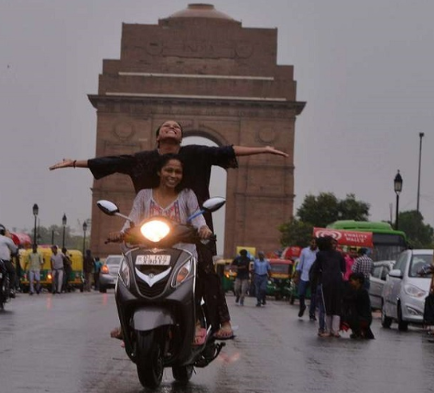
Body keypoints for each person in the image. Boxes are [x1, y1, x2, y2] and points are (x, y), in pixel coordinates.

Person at [51, 120, 289, 339]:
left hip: (194, 224)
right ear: (157, 137)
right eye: (166, 126)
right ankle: (128, 322)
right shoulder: (143, 160)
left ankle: (219, 322)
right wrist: (74, 163)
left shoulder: (195, 154)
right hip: (154, 228)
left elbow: (226, 151)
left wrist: (263, 149)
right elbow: (112, 162)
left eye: (176, 127)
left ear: (181, 138)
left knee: (205, 269)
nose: (172, 127)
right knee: (131, 272)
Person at [108, 154, 213, 346]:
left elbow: (198, 217)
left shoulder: (188, 194)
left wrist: (203, 229)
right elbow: (132, 219)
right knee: (125, 280)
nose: (173, 175)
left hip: (181, 251)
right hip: (148, 250)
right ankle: (126, 322)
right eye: (168, 170)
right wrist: (121, 233)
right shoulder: (144, 196)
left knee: (193, 282)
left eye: (178, 171)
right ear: (159, 172)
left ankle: (196, 322)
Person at [310, 236, 346, 337]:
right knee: (336, 305)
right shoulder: (338, 254)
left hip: (326, 282)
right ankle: (336, 331)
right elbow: (343, 268)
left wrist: (313, 284)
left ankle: (328, 330)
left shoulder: (320, 255)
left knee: (327, 306)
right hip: (338, 281)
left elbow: (316, 270)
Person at [344, 272, 374, 339]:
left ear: (357, 281)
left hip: (364, 319)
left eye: (351, 280)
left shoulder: (362, 292)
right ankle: (359, 332)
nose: (350, 282)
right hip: (361, 317)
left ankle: (359, 333)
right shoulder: (357, 290)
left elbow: (352, 299)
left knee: (346, 318)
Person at [293, 238, 318, 319]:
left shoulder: (319, 252)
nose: (313, 244)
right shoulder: (304, 251)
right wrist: (297, 276)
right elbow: (300, 264)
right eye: (312, 242)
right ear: (310, 242)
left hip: (314, 277)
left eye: (315, 243)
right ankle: (302, 306)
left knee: (314, 296)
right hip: (304, 276)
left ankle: (312, 313)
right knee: (301, 293)